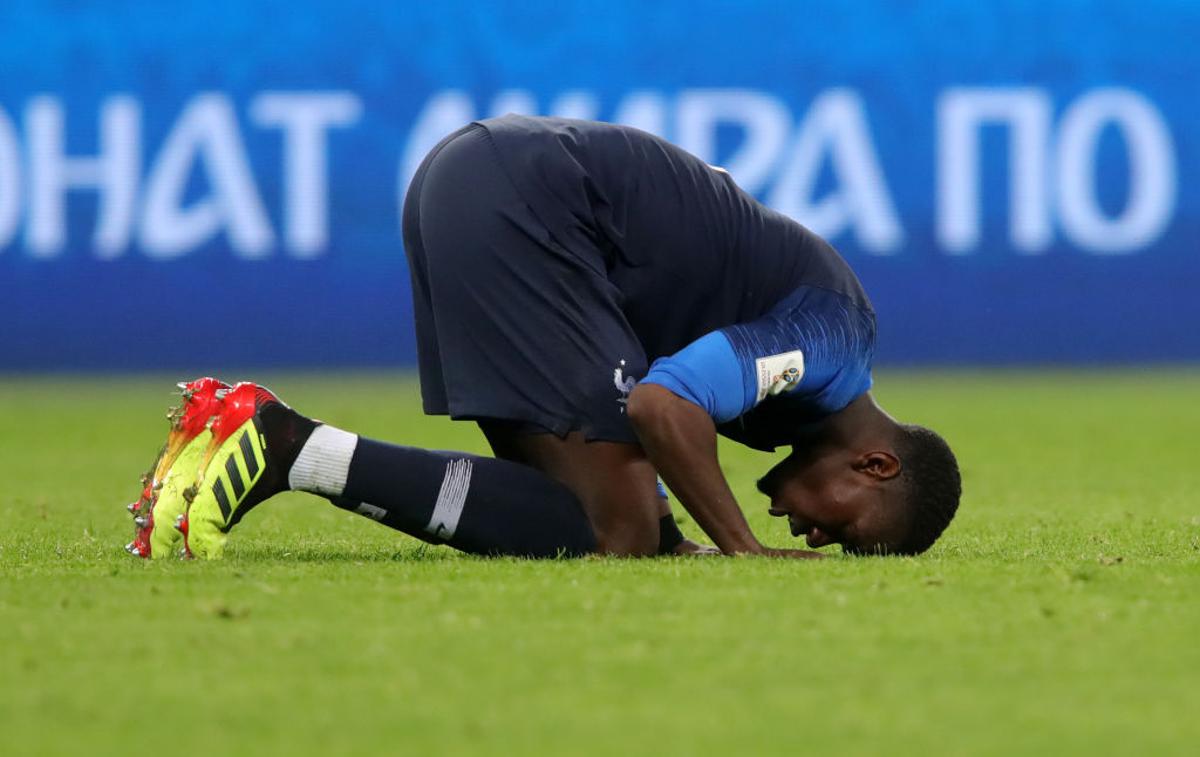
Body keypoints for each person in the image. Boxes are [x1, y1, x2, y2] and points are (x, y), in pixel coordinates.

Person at [124, 115, 961, 561]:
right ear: (875, 464)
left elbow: (641, 395)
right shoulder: (833, 340)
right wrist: (741, 548)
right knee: (621, 531)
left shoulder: (813, 375)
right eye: (846, 530)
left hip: (484, 183)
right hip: (528, 201)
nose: (814, 536)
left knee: (586, 522)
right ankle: (284, 443)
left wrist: (680, 536)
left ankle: (259, 444)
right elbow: (666, 405)